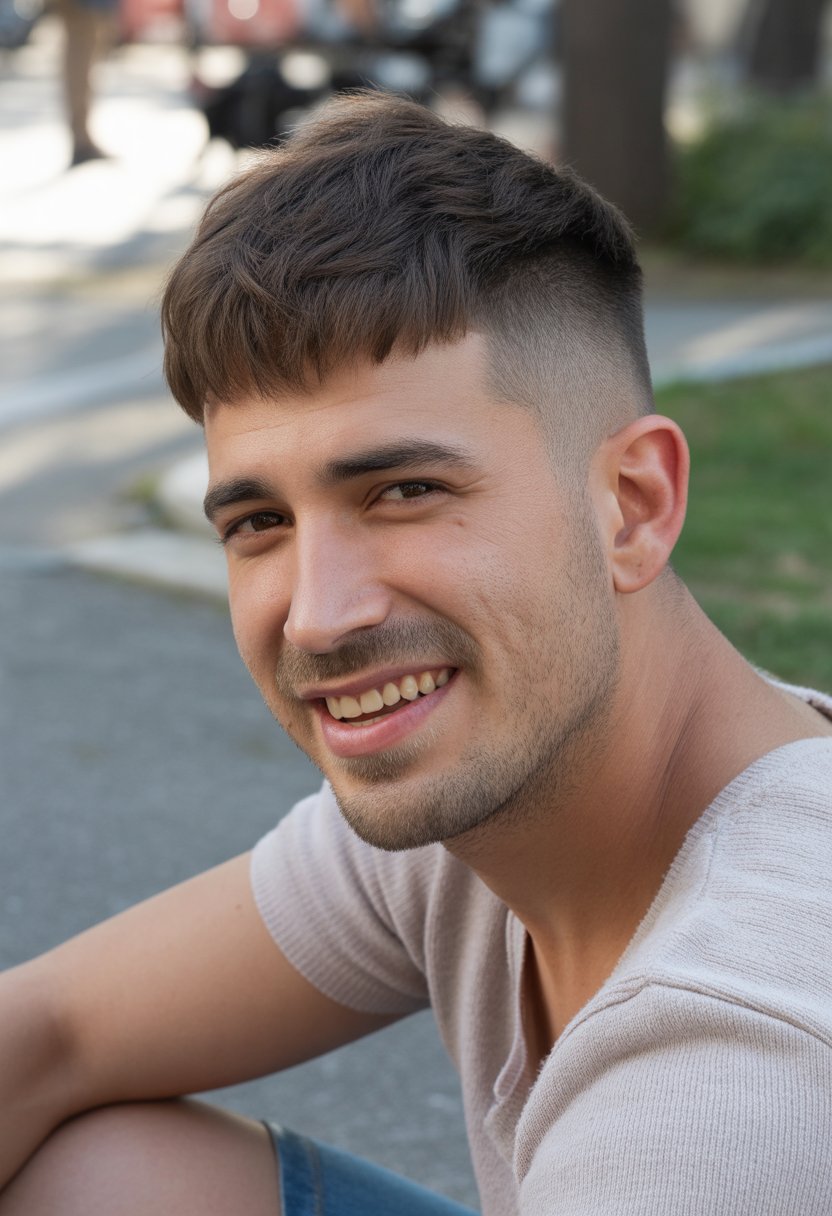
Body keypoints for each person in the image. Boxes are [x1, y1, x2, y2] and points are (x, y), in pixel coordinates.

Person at [1, 92, 831, 1215]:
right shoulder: (493, 783)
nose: (318, 616)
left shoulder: (731, 1076)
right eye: (259, 523)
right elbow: (46, 1034)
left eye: (403, 491)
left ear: (631, 505)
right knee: (107, 1177)